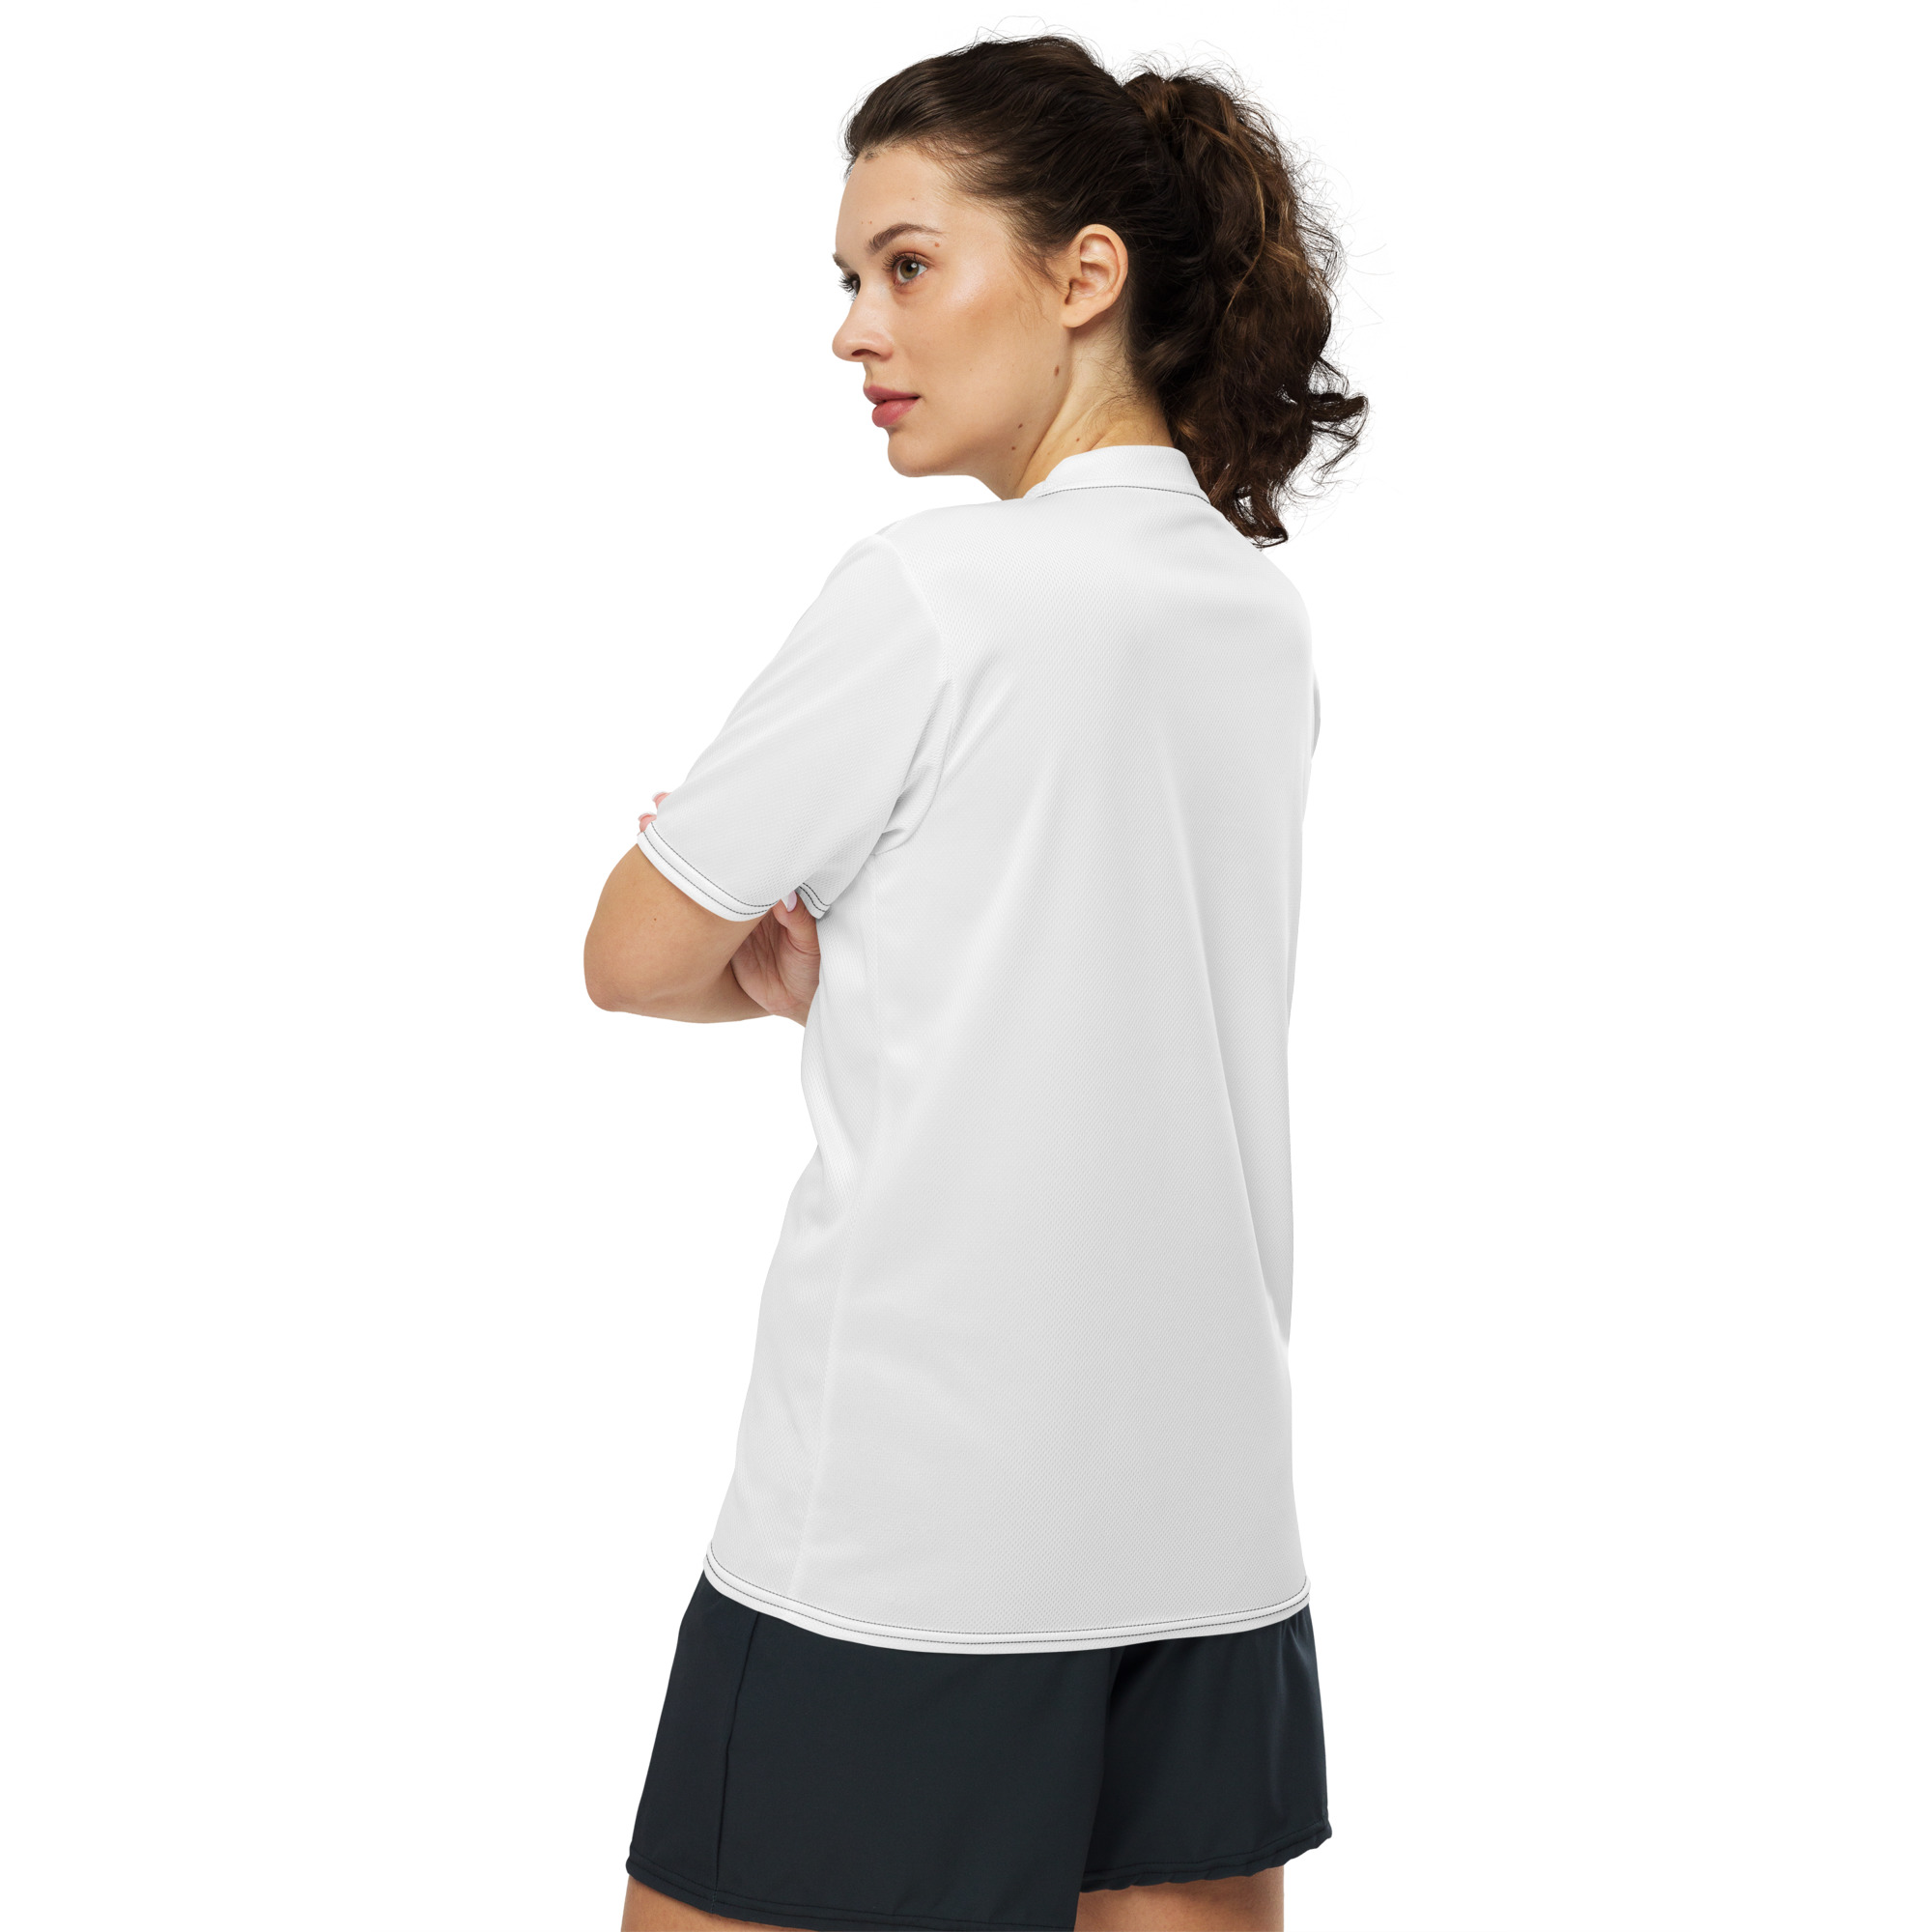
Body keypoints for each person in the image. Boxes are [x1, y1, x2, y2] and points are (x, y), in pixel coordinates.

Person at [583, 31, 1366, 1932]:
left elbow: (629, 951)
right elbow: (1085, 971)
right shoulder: (1253, 616)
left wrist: (781, 975)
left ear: (1085, 274)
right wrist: (862, 971)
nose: (856, 329)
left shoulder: (928, 597)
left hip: (911, 1531)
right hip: (1202, 1519)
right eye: (853, 278)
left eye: (909, 265)